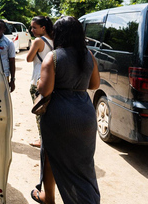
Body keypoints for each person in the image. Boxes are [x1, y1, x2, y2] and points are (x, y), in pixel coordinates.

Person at [31, 16, 100, 204]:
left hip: (59, 115)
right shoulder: (89, 55)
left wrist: (39, 83)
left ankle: (49, 198)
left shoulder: (53, 57)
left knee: (50, 154)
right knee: (83, 162)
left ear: (58, 34)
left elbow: (45, 91)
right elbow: (94, 85)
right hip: (85, 115)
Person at [26, 16, 54, 148]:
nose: (32, 30)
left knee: (39, 111)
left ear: (43, 28)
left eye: (34, 27)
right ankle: (50, 138)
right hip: (51, 80)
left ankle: (42, 140)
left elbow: (29, 58)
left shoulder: (38, 41)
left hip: (38, 79)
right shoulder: (55, 40)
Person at [0, 19, 16, 92]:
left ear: (4, 30)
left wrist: (12, 80)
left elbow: (12, 61)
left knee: (3, 96)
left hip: (3, 75)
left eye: (0, 28)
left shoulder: (9, 43)